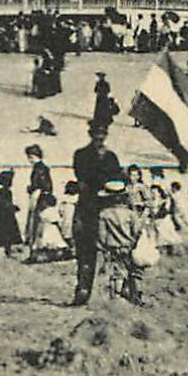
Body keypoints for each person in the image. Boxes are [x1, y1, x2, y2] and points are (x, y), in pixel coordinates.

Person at [71, 121, 121, 305]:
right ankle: (83, 289)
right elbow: (82, 178)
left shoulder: (111, 157)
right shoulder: (81, 155)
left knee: (115, 251)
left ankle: (113, 294)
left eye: (103, 135)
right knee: (85, 250)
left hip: (107, 208)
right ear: (91, 135)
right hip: (88, 207)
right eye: (97, 135)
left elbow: (118, 179)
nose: (100, 139)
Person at [94, 176, 145, 304]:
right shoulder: (130, 214)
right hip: (129, 246)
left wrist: (103, 249)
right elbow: (138, 231)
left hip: (112, 248)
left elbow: (101, 235)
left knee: (116, 274)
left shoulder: (104, 214)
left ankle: (116, 298)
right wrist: (133, 242)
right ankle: (136, 296)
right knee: (135, 272)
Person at [0, 170, 22, 252]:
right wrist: (12, 207)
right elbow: (3, 203)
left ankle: (7, 247)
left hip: (5, 213)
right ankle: (6, 247)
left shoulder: (4, 191)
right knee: (6, 230)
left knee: (6, 231)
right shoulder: (2, 191)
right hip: (4, 214)